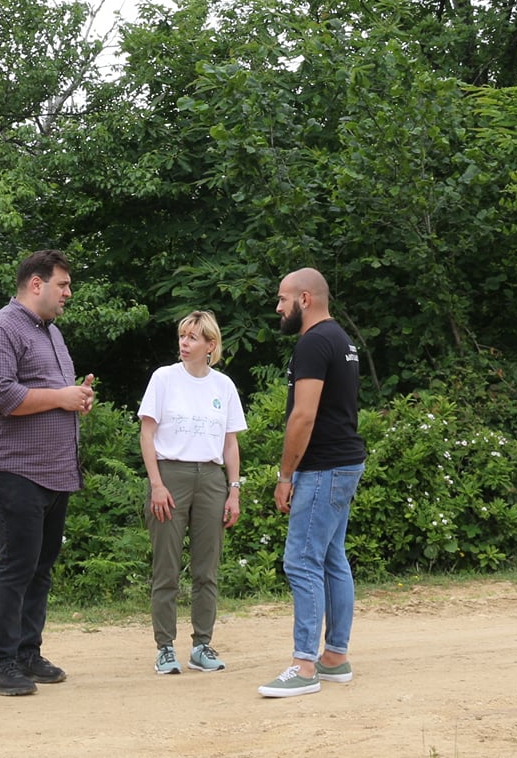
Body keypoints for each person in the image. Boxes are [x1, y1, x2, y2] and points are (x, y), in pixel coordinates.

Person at [0, 249, 96, 696]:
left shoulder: (52, 333)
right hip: (15, 469)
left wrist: (76, 397)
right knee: (17, 565)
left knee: (40, 567)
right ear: (36, 284)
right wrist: (61, 397)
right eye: (63, 284)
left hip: (55, 472)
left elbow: (51, 395)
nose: (68, 293)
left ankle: (26, 653)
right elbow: (0, 395)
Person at [257, 267, 368, 699]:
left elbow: (303, 416)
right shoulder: (341, 340)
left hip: (323, 466)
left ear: (305, 299)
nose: (278, 307)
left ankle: (304, 665)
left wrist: (286, 475)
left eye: (282, 299)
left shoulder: (313, 342)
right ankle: (335, 658)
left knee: (301, 560)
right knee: (331, 558)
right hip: (344, 463)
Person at [138, 310, 247, 676]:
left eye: (193, 337)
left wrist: (233, 490)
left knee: (206, 569)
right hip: (171, 475)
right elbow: (147, 433)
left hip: (212, 478)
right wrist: (156, 484)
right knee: (166, 568)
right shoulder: (164, 378)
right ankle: (165, 647)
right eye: (182, 336)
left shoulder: (223, 386)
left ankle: (202, 645)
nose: (184, 343)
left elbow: (230, 443)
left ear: (210, 345)